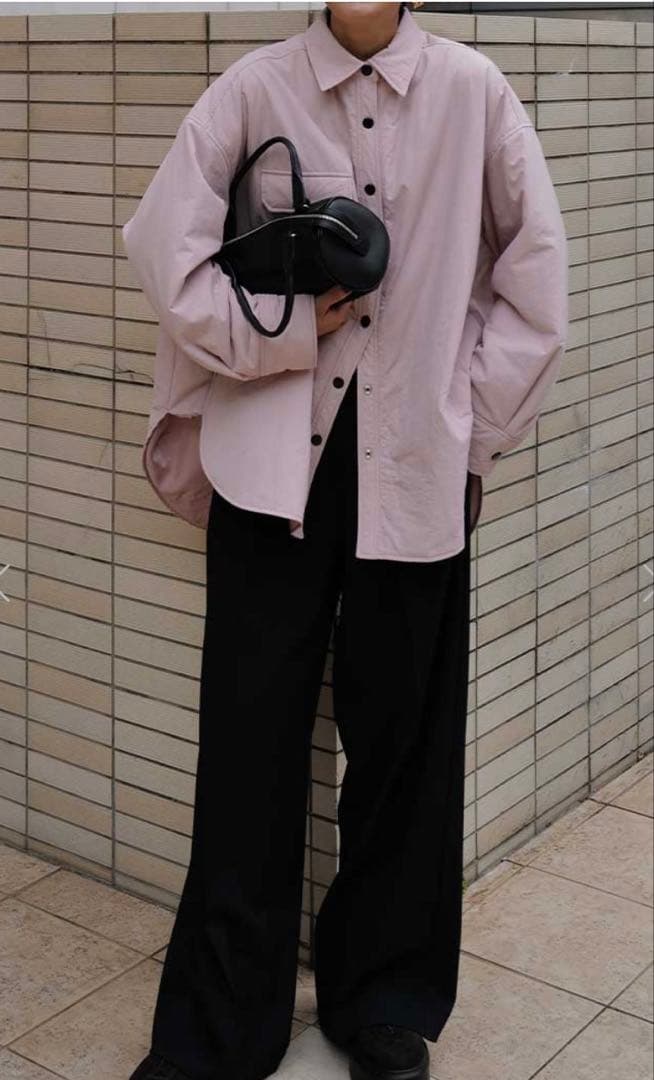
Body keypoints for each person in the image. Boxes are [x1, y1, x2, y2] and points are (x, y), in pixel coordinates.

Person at [124, 2, 568, 1079]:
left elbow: (537, 280)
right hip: (268, 466)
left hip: (414, 465)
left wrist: (467, 424)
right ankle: (220, 1027)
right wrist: (274, 331)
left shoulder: (474, 93)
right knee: (248, 746)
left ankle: (385, 997)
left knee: (406, 743)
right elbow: (163, 247)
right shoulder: (254, 87)